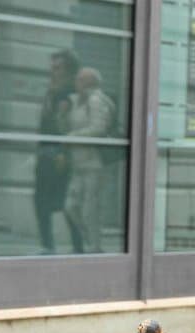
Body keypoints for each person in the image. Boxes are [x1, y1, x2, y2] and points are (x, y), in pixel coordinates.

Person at [62, 67, 116, 254]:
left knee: (89, 210)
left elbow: (99, 128)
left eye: (79, 80)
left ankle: (95, 247)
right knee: (71, 206)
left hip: (94, 164)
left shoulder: (96, 101)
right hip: (79, 163)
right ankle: (90, 241)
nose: (75, 83)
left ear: (88, 82)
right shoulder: (79, 101)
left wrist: (74, 136)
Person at [32, 49, 77, 254]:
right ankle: (47, 245)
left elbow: (68, 127)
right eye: (52, 68)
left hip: (59, 153)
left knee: (65, 204)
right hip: (45, 152)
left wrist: (63, 153)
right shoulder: (52, 90)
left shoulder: (70, 93)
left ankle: (79, 245)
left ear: (69, 71)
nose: (53, 72)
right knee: (41, 200)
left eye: (57, 68)